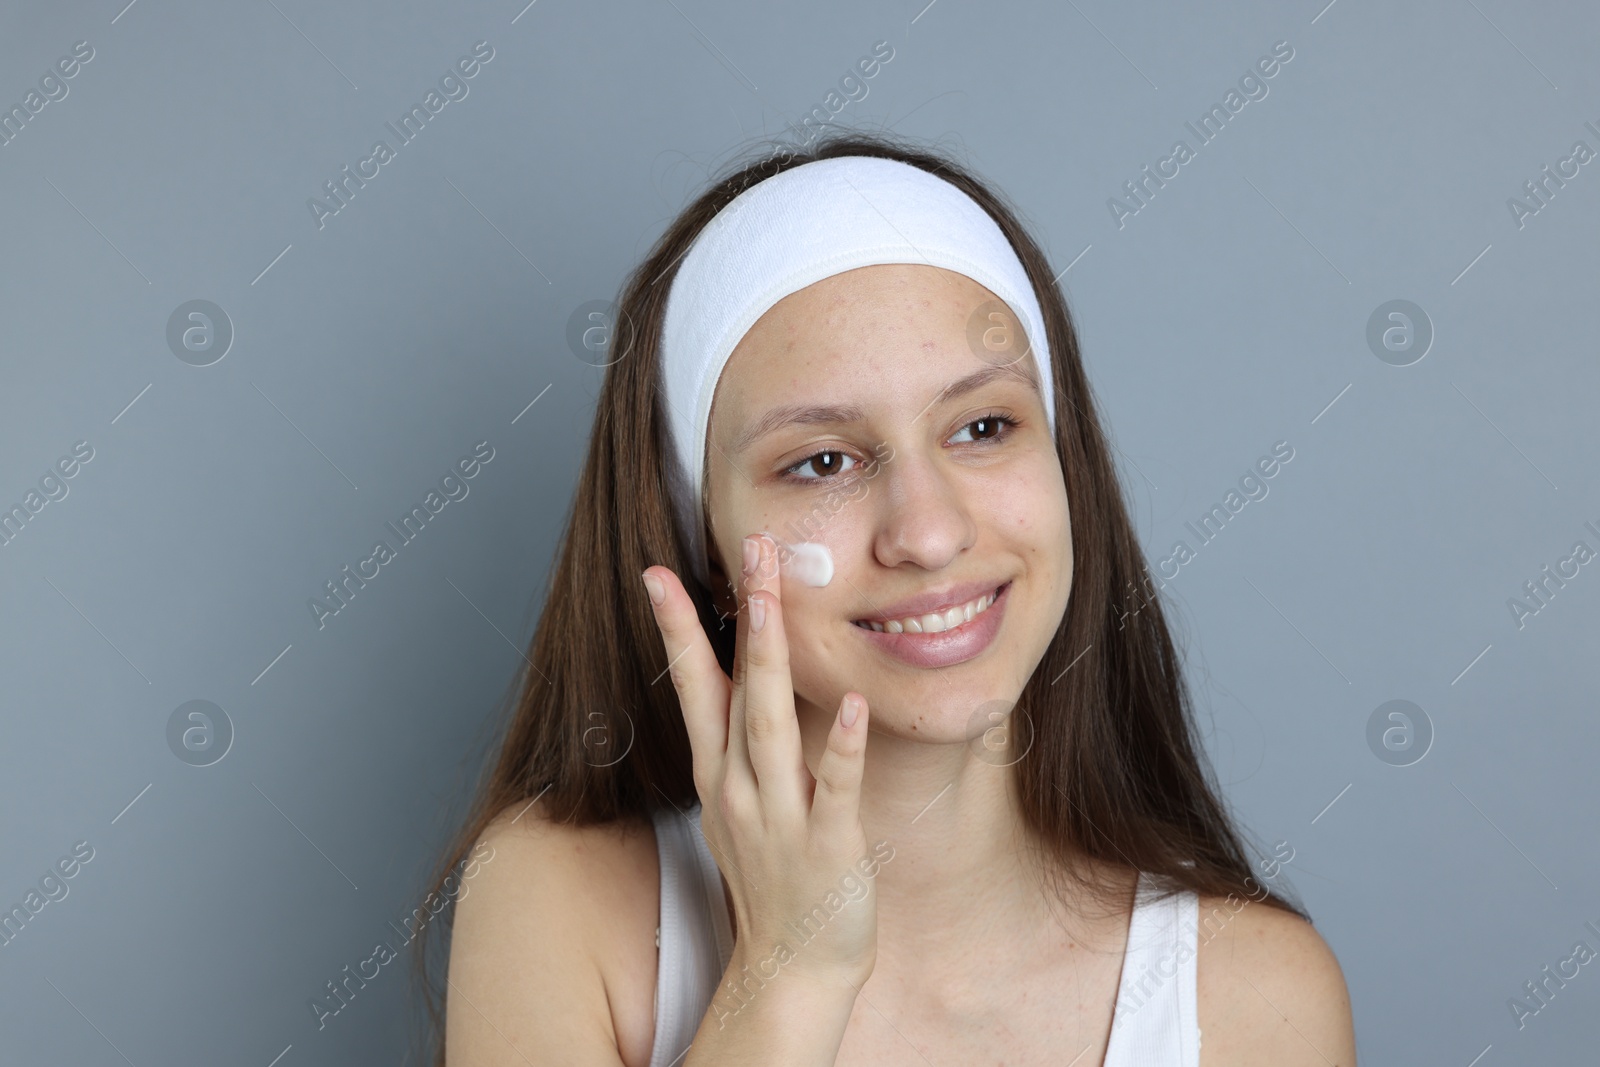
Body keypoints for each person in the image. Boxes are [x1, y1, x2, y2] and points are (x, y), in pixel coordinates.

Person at [418, 131, 1357, 1066]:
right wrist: (789, 973)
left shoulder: (1254, 1001)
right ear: (703, 545)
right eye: (822, 461)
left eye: (985, 426)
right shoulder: (565, 906)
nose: (929, 532)